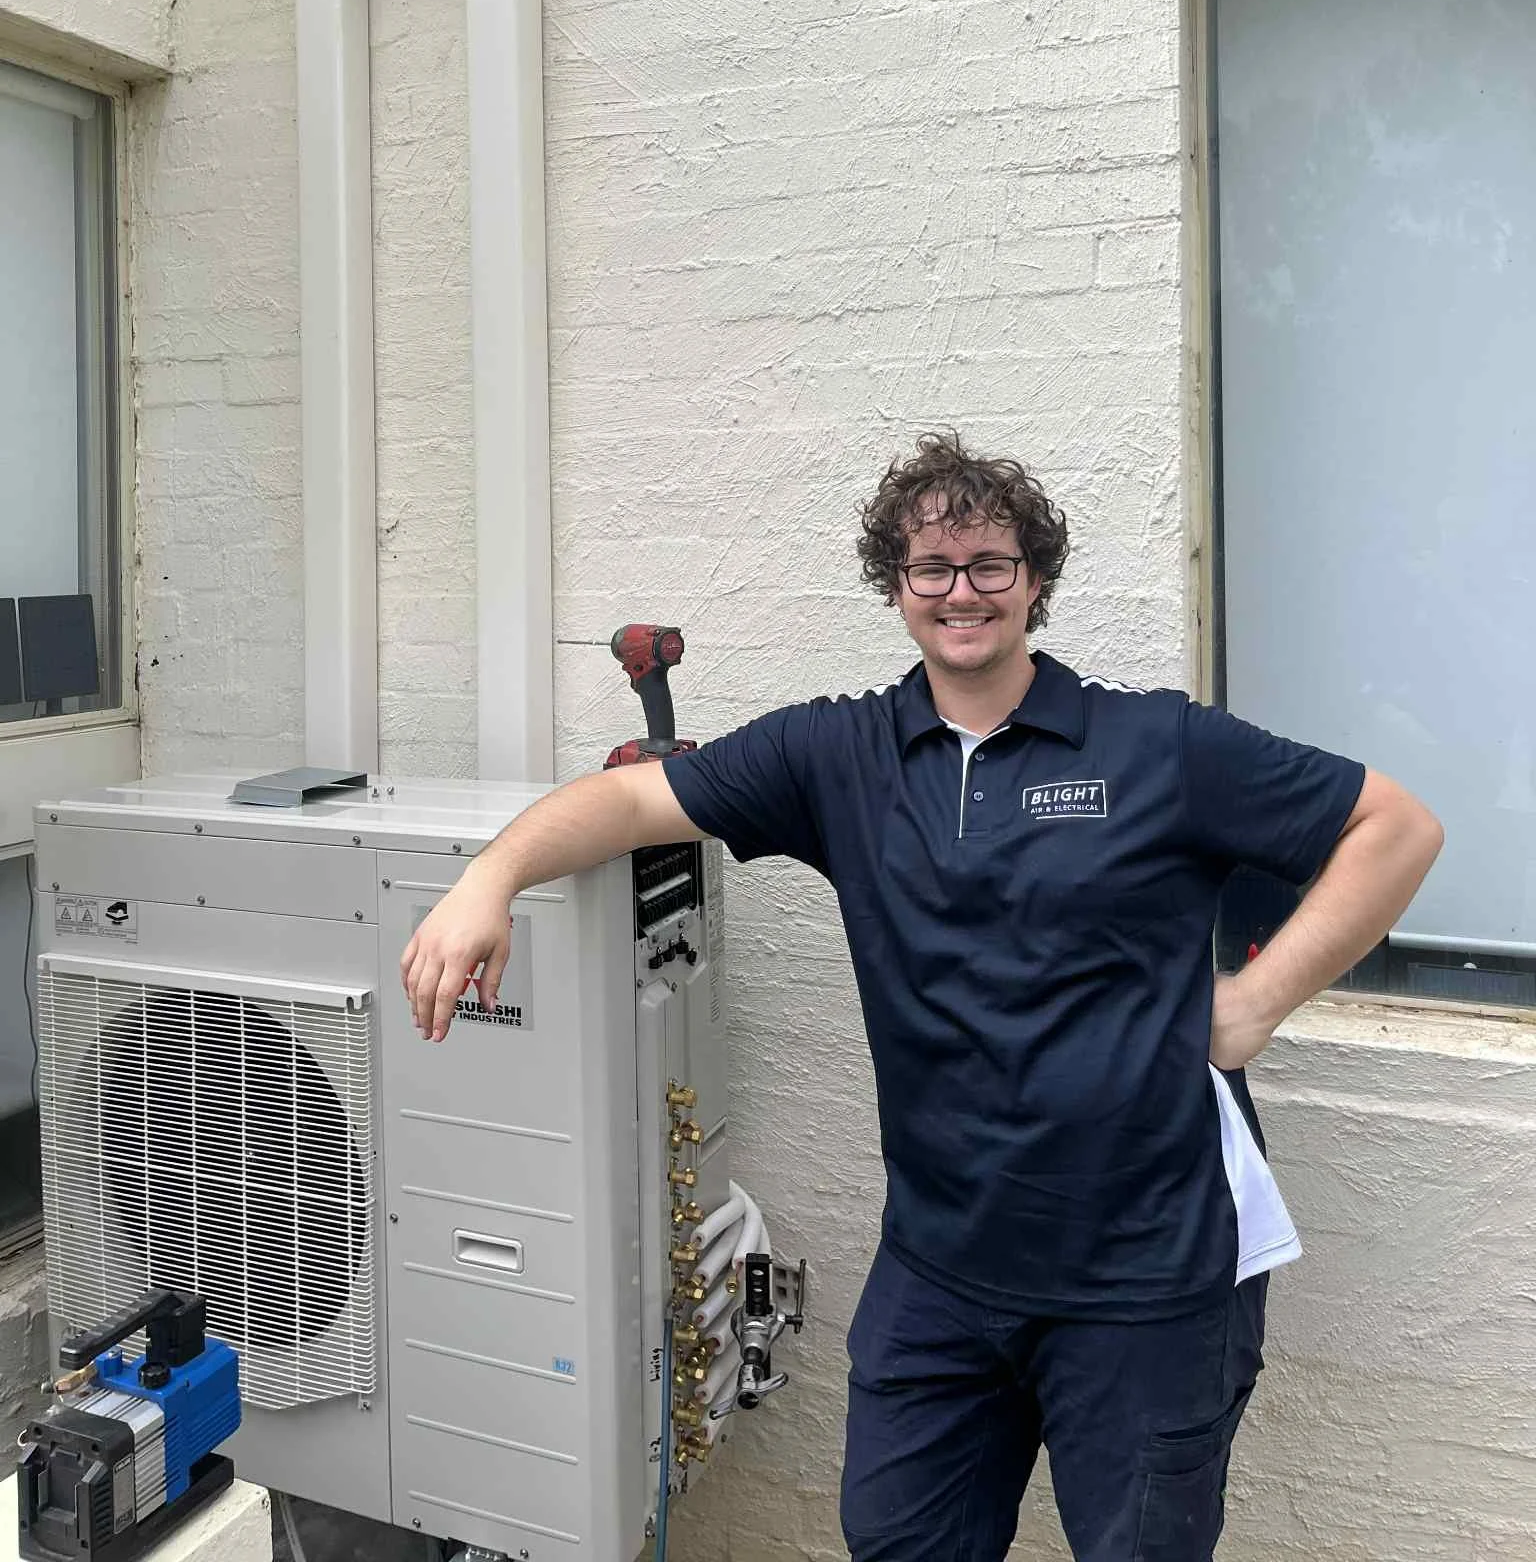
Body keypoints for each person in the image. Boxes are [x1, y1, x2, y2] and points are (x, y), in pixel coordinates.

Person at [401, 430, 1442, 1562]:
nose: (962, 591)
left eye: (990, 562)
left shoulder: (1157, 745)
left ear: (1034, 579)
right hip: (942, 1272)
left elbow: (1394, 826)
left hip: (1147, 1280)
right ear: (896, 589)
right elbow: (634, 805)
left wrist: (1252, 1003)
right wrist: (488, 878)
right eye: (931, 568)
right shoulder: (840, 752)